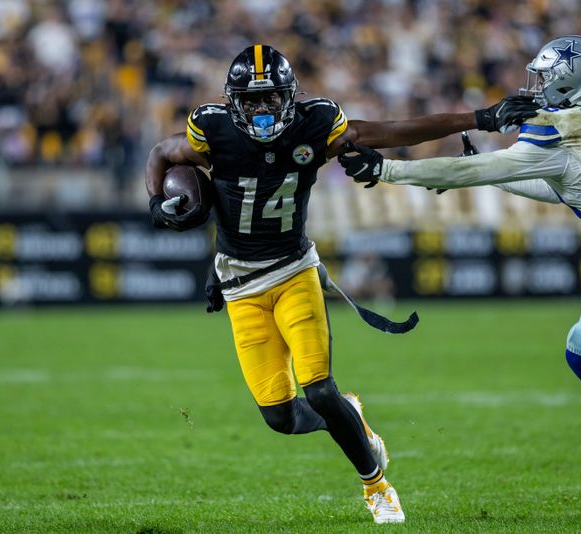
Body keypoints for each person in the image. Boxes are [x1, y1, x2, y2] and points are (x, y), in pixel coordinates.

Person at [144, 44, 537, 524]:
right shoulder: (212, 128)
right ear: (233, 102)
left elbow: (389, 132)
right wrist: (154, 202)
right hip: (240, 285)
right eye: (252, 100)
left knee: (319, 389)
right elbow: (162, 153)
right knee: (281, 418)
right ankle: (349, 414)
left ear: (290, 96)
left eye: (272, 99)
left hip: (293, 272)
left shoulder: (316, 122)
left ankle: (377, 486)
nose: (263, 110)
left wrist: (479, 117)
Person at [339, 34, 581, 519]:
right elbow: (562, 186)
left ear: (571, 82)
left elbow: (472, 173)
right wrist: (487, 170)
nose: (538, 84)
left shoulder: (564, 129)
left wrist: (387, 170)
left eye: (547, 75)